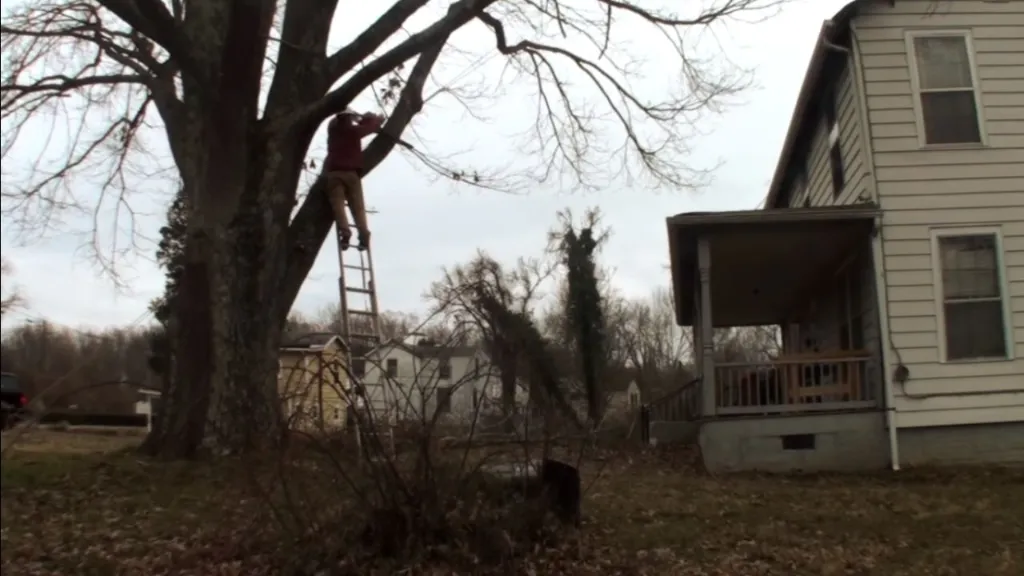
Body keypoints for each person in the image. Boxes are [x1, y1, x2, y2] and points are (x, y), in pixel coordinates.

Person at [325, 109, 384, 250]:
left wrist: (360, 120)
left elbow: (343, 124)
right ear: (349, 120)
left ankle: (344, 230)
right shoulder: (354, 132)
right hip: (352, 174)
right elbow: (370, 128)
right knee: (357, 207)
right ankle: (363, 234)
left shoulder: (333, 132)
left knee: (338, 204)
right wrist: (374, 119)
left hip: (334, 174)